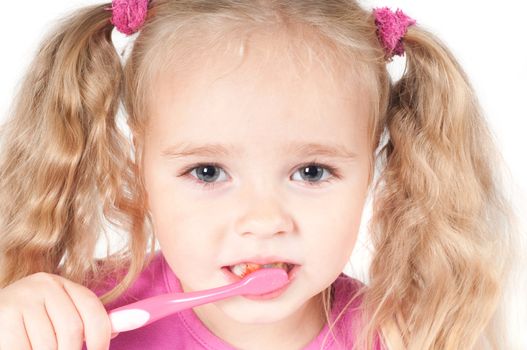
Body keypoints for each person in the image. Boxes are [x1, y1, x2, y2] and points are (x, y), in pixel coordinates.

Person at [0, 0, 521, 349]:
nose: (264, 221)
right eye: (207, 171)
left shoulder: (400, 338)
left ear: (377, 165)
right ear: (140, 163)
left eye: (312, 172)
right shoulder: (75, 321)